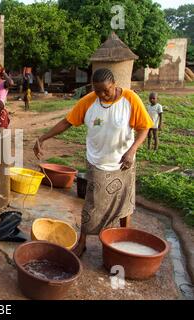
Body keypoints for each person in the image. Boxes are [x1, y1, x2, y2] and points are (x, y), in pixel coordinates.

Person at [34, 68, 153, 256]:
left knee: (124, 203)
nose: (102, 95)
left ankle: (123, 241)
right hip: (97, 162)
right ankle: (82, 242)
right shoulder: (89, 101)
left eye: (106, 90)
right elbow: (66, 122)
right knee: (92, 205)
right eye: (97, 91)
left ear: (114, 84)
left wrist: (132, 150)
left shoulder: (130, 99)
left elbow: (145, 127)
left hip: (123, 162)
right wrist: (43, 138)